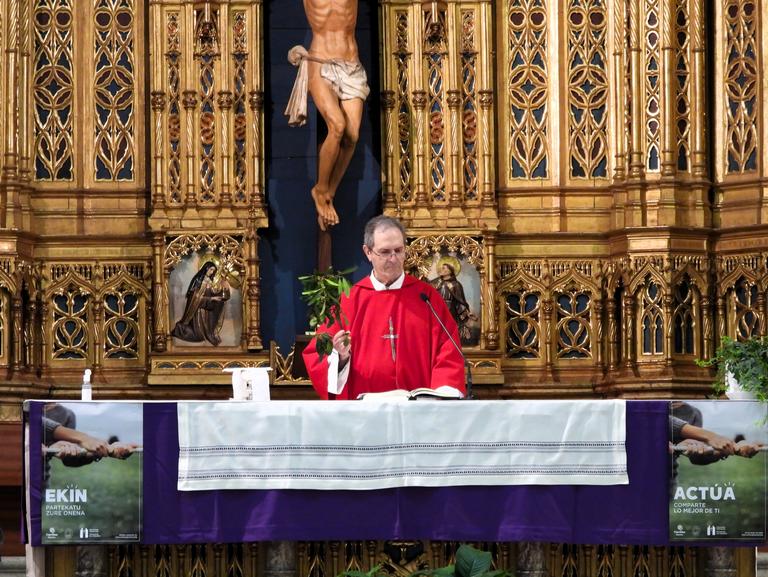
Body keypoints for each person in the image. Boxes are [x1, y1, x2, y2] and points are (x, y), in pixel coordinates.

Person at [302, 215, 466, 399]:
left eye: (399, 250)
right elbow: (317, 353)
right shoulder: (349, 300)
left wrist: (441, 397)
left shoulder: (426, 297)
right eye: (385, 252)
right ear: (368, 252)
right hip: (364, 414)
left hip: (419, 412)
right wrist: (341, 358)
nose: (394, 258)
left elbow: (448, 351)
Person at [284, 0, 370, 232]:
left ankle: (328, 193)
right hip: (320, 62)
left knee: (351, 136)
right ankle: (320, 189)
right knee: (338, 126)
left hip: (351, 65)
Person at [171, 261, 230, 346]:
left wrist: (224, 289)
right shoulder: (198, 280)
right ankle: (184, 329)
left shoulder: (209, 280)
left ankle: (209, 332)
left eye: (213, 270)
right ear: (206, 268)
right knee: (199, 335)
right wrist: (211, 298)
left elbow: (213, 292)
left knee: (219, 304)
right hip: (198, 310)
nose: (212, 272)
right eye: (211, 270)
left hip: (206, 308)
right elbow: (194, 297)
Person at [431, 261, 475, 344]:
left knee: (448, 328)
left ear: (450, 271)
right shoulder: (437, 282)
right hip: (437, 308)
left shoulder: (456, 285)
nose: (441, 269)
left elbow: (460, 301)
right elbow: (428, 289)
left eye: (444, 268)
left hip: (450, 309)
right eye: (441, 268)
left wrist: (466, 313)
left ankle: (449, 344)